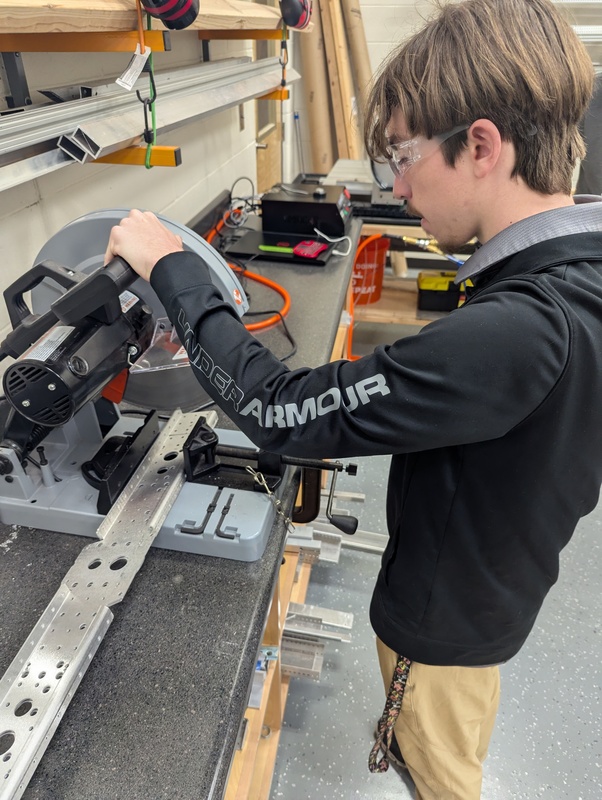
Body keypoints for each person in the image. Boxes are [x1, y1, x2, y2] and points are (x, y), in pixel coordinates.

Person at [104, 0, 601, 797]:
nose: (398, 188)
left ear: (480, 145)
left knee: (440, 775)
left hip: (442, 638)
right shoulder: (577, 272)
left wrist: (175, 271)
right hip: (494, 594)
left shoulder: (521, 331)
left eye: (403, 156)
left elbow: (280, 410)